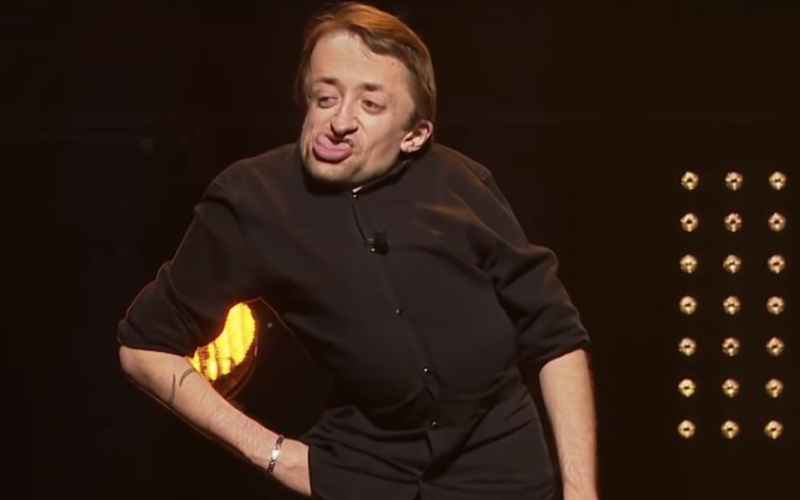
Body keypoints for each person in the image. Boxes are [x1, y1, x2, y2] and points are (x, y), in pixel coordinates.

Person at [117, 2, 597, 499]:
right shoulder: (252, 200)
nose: (339, 121)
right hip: (364, 481)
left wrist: (581, 492)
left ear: (415, 135)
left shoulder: (461, 183)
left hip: (508, 482)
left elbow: (555, 334)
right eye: (326, 97)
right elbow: (144, 348)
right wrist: (275, 454)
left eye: (370, 105)